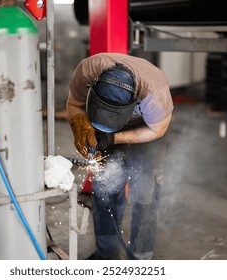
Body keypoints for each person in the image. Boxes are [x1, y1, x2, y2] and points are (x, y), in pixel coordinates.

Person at [66, 52, 173, 260]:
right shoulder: (88, 70)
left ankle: (140, 259)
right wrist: (80, 125)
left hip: (147, 132)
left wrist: (115, 139)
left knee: (145, 195)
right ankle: (107, 253)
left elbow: (156, 130)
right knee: (105, 190)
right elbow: (74, 103)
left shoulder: (155, 94)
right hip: (107, 133)